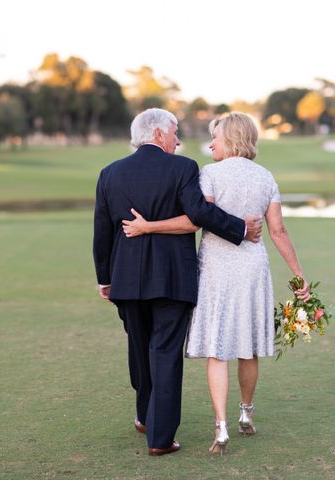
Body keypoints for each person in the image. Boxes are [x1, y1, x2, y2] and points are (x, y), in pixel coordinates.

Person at [121, 112, 310, 455]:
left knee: (217, 347)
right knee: (248, 344)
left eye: (215, 138)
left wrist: (149, 226)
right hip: (253, 266)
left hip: (216, 268)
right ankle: (246, 412)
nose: (210, 144)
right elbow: (278, 231)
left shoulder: (208, 174)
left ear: (232, 139)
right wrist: (299, 276)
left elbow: (196, 219)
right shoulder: (266, 177)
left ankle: (221, 426)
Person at [92, 108, 263, 456]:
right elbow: (199, 214)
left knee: (139, 350)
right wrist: (241, 228)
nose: (179, 140)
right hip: (172, 279)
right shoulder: (183, 168)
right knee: (165, 353)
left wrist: (105, 279)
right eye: (174, 132)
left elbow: (102, 232)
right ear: (157, 134)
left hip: (126, 280)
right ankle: (161, 438)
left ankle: (144, 417)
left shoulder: (109, 173)